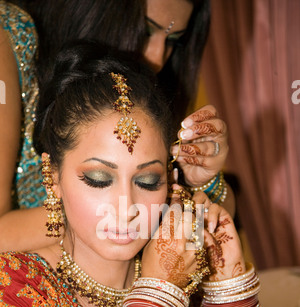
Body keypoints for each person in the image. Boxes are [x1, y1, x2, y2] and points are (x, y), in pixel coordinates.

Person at [0, 46, 287, 307]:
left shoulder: (184, 279)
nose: (127, 207)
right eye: (99, 179)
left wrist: (229, 284)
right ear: (53, 177)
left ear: (169, 184)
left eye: (148, 182)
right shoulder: (15, 286)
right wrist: (159, 293)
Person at [0, 0, 231, 253]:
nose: (157, 58)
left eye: (148, 180)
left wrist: (201, 182)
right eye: (145, 31)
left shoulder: (141, 94)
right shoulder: (10, 36)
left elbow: (210, 235)